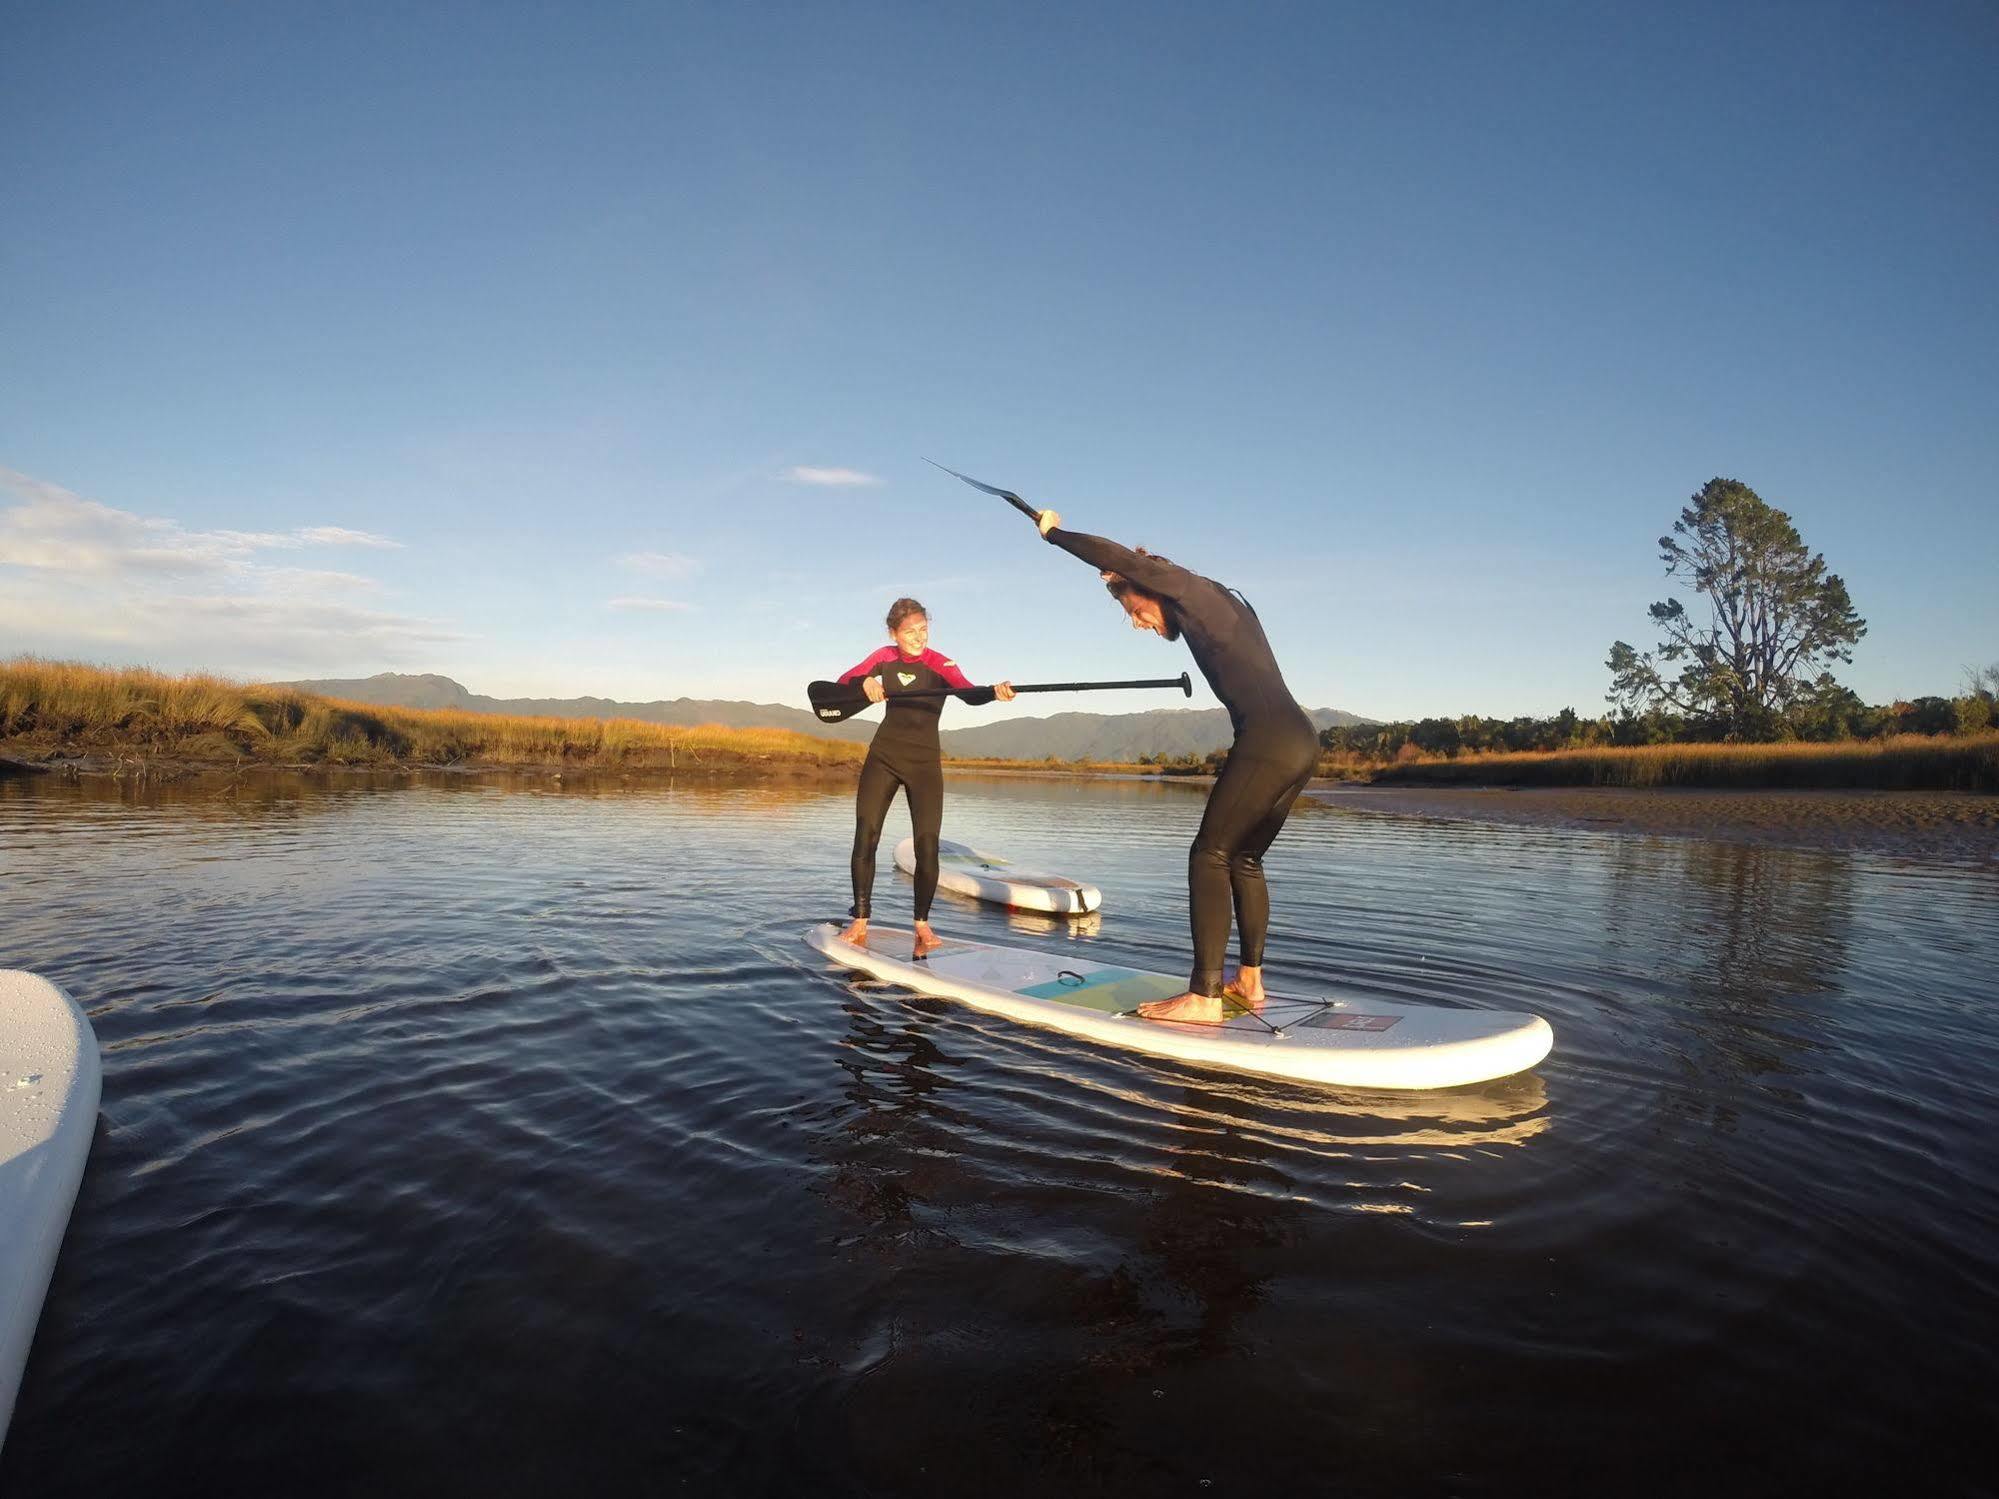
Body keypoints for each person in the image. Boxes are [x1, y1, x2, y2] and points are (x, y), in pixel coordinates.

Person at [1033, 508, 1318, 1023]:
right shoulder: (1211, 599)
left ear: (1149, 587)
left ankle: (1204, 997)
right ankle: (1250, 983)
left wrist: (1054, 534)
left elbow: (1118, 556)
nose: (1139, 624)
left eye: (1134, 611)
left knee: (1208, 853)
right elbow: (1122, 567)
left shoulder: (1186, 587)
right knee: (1243, 859)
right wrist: (1120, 579)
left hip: (1269, 740)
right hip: (1299, 741)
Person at [834, 598, 1015, 958]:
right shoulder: (883, 658)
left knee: (927, 844)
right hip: (883, 757)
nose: (918, 638)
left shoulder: (941, 664)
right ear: (893, 633)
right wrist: (865, 683)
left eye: (923, 630)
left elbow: (968, 692)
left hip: (925, 764)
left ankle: (922, 924)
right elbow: (842, 684)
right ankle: (861, 918)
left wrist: (993, 693)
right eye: (909, 632)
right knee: (866, 835)